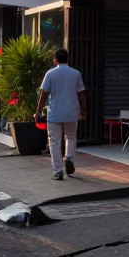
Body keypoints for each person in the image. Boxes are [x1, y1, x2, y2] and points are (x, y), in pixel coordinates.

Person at [34, 48, 85, 180]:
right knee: (71, 137)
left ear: (55, 60)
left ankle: (58, 171)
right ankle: (69, 158)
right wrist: (83, 110)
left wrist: (38, 112)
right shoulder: (76, 74)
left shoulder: (50, 74)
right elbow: (81, 95)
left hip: (54, 113)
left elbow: (43, 95)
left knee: (54, 142)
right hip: (71, 113)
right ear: (68, 59)